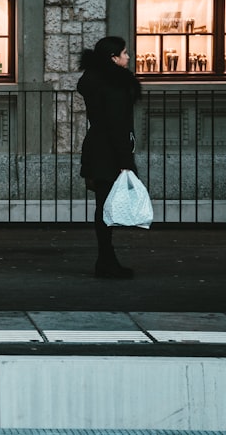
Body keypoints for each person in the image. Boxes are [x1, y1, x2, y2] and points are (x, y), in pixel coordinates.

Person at [77, 35, 141, 279]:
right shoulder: (113, 86)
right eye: (124, 53)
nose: (128, 57)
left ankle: (106, 258)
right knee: (106, 208)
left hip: (98, 149)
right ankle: (106, 260)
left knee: (104, 207)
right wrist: (126, 162)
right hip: (109, 152)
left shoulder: (96, 81)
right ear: (113, 58)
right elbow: (117, 126)